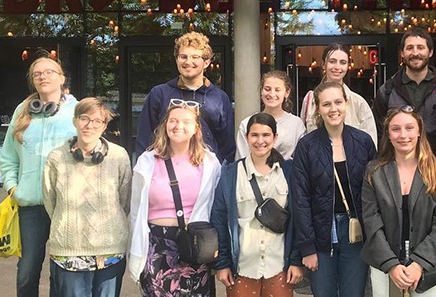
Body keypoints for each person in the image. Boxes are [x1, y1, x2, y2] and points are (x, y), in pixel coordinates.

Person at [0, 56, 78, 297]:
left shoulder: (78, 110)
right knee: (27, 271)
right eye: (37, 74)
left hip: (66, 204)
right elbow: (9, 155)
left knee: (62, 271)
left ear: (62, 78)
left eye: (49, 72)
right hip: (31, 205)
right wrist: (13, 187)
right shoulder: (22, 112)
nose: (43, 76)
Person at [128, 101, 222, 296]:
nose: (178, 126)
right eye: (173, 121)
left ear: (196, 128)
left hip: (194, 246)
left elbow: (217, 208)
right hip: (157, 246)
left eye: (186, 121)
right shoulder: (147, 161)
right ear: (165, 125)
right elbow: (136, 209)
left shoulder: (210, 163)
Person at [292, 82, 377, 297]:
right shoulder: (307, 145)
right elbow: (300, 198)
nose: (333, 109)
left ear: (346, 104)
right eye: (326, 104)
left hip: (355, 233)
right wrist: (307, 247)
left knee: (353, 293)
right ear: (318, 108)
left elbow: (375, 192)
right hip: (321, 233)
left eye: (338, 102)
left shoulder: (363, 142)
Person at [42, 97, 132, 297]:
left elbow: (124, 201)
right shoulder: (56, 158)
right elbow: (50, 201)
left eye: (97, 121)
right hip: (68, 250)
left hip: (109, 249)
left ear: (104, 125)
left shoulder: (119, 156)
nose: (89, 125)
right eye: (84, 118)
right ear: (75, 121)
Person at [362, 106, 436, 297]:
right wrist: (391, 264)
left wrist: (418, 264)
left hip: (428, 267)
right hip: (385, 266)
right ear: (388, 134)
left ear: (419, 131)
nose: (403, 135)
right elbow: (371, 221)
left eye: (409, 128)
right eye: (396, 129)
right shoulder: (374, 173)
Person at [212, 113, 304, 297]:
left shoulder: (289, 172)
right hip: (242, 266)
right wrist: (222, 264)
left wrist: (296, 260)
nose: (260, 140)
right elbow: (220, 220)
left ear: (275, 137)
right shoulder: (230, 174)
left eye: (266, 135)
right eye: (254, 135)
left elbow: (299, 219)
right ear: (246, 137)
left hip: (279, 266)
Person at [135, 32, 235, 163]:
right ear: (177, 60)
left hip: (207, 175)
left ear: (206, 62)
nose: (188, 62)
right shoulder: (159, 94)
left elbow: (226, 145)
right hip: (166, 173)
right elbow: (145, 138)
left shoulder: (220, 98)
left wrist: (222, 175)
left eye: (195, 57)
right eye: (183, 57)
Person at [373, 28, 436, 159]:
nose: (415, 53)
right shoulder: (387, 91)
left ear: (430, 52)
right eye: (409, 48)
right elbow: (380, 133)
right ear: (402, 53)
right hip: (397, 166)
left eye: (420, 47)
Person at [300, 43, 378, 147]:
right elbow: (303, 140)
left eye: (343, 62)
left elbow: (371, 145)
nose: (337, 67)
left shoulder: (358, 102)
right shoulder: (310, 100)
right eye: (332, 61)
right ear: (324, 64)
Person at [236, 70, 306, 160]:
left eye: (277, 90)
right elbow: (241, 160)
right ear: (261, 91)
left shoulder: (296, 124)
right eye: (267, 89)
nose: (272, 94)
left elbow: (301, 159)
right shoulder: (246, 124)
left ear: (287, 93)